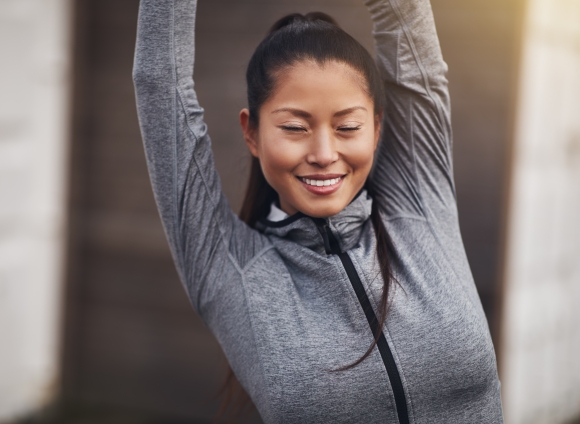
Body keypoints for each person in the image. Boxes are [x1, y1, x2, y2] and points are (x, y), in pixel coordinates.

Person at [133, 0, 504, 422]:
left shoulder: (418, 204)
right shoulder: (228, 267)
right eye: (294, 128)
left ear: (377, 127)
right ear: (251, 132)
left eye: (347, 127)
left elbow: (403, 13)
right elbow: (159, 84)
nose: (325, 154)